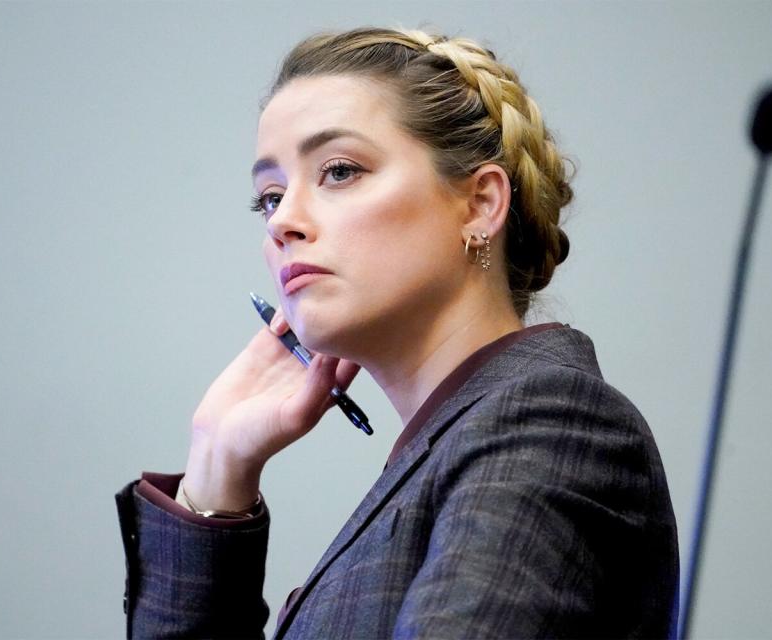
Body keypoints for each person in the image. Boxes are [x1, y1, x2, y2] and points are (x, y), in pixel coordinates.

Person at [115, 27, 679, 639]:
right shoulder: (457, 442)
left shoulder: (553, 423)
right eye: (269, 197)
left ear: (480, 204)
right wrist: (218, 465)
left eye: (338, 170)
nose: (284, 223)